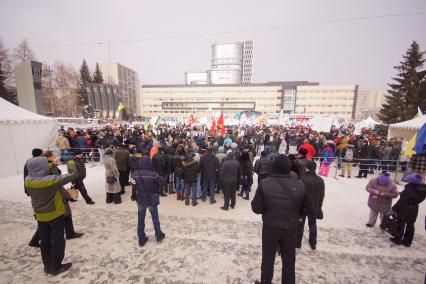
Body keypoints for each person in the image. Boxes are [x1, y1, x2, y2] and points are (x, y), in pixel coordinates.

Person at [251, 154, 309, 284]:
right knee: (289, 260)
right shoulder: (300, 184)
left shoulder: (265, 183)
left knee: (268, 258)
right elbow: (306, 209)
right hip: (290, 228)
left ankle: (265, 281)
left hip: (270, 227)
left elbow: (256, 208)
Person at [24, 155, 76, 275]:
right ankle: (56, 267)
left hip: (41, 215)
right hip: (55, 214)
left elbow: (38, 171)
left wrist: (52, 164)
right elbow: (73, 174)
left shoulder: (28, 180)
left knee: (45, 241)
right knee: (58, 240)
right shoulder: (50, 181)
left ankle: (47, 266)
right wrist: (70, 161)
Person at [132, 156, 166, 246]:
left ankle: (141, 238)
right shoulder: (154, 174)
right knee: (155, 218)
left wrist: (134, 196)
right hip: (152, 198)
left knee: (140, 219)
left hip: (140, 199)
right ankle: (158, 235)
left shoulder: (135, 174)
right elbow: (162, 182)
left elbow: (133, 186)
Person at [390, 173, 426, 247]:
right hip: (414, 208)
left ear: (411, 181)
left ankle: (398, 239)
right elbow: (414, 197)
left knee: (400, 223)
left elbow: (401, 202)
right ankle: (407, 242)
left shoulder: (409, 190)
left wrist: (394, 209)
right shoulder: (422, 190)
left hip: (405, 209)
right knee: (410, 225)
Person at [297, 161, 325, 250]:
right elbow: (322, 195)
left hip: (303, 206)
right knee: (312, 224)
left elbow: (299, 193)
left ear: (307, 168)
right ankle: (313, 243)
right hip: (314, 206)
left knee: (300, 224)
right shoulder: (320, 180)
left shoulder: (302, 179)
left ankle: (298, 242)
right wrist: (319, 206)